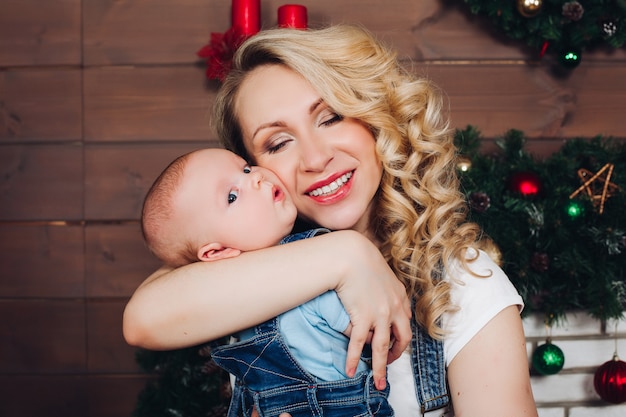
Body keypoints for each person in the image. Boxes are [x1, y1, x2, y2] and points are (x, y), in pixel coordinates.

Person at [124, 24, 538, 417]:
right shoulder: (249, 260)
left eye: (331, 117)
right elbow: (143, 319)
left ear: (376, 119)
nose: (316, 158)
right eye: (278, 142)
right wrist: (346, 254)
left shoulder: (465, 284)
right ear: (255, 168)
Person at [140, 147, 393, 416]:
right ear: (216, 252)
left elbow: (370, 328)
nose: (256, 178)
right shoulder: (222, 297)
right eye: (232, 196)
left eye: (246, 168)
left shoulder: (317, 259)